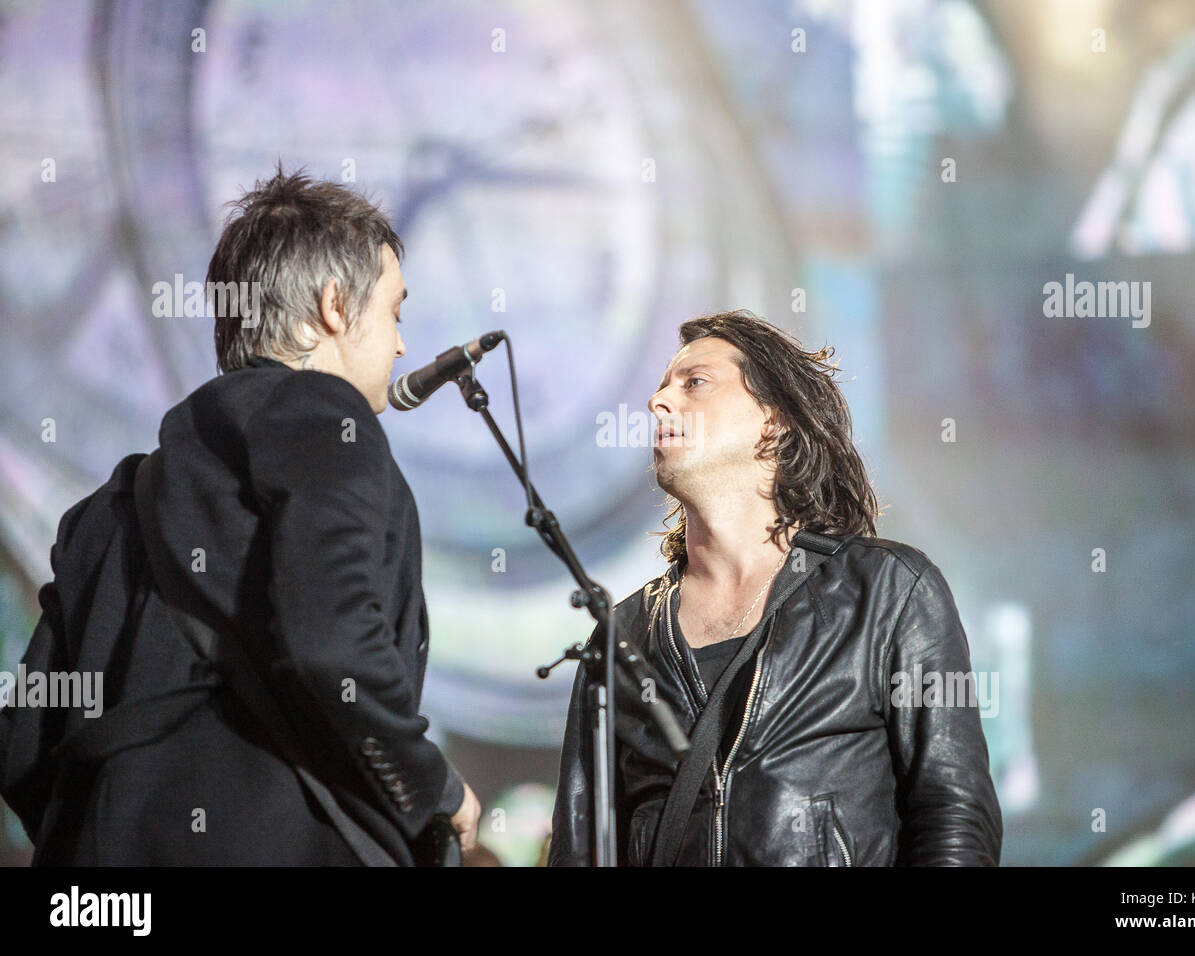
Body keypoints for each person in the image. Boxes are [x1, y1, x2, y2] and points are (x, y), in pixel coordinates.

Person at [0, 164, 479, 864]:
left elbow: (21, 739)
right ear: (336, 306)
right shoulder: (323, 416)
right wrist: (434, 785)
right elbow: (331, 641)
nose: (403, 345)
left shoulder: (107, 508)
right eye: (395, 312)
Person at [549, 310, 1002, 866]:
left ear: (774, 419)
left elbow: (952, 813)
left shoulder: (888, 593)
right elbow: (580, 849)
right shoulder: (621, 637)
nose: (658, 402)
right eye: (663, 387)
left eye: (695, 383)